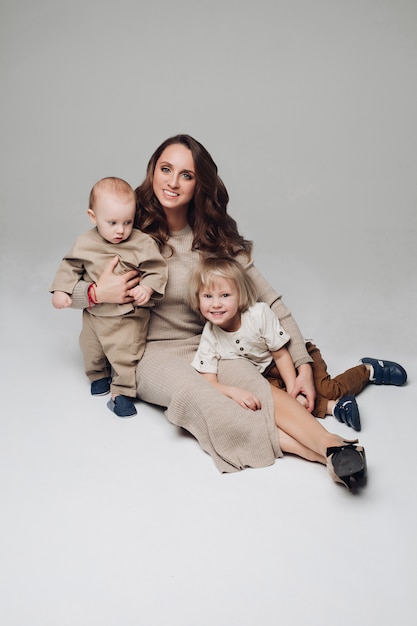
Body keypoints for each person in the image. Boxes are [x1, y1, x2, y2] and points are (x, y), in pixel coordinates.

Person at [67, 134, 403, 491]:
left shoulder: (213, 238)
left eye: (186, 174)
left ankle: (330, 445)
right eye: (166, 169)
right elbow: (66, 289)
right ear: (153, 172)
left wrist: (303, 366)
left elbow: (270, 301)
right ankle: (330, 455)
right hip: (147, 351)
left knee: (256, 388)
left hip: (208, 344)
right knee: (206, 401)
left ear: (200, 185)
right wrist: (95, 292)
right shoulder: (126, 229)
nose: (172, 181)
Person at [49, 177, 168, 417]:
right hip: (94, 314)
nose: (120, 230)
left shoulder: (141, 243)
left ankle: (121, 392)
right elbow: (70, 266)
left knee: (125, 355)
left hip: (127, 317)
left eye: (127, 222)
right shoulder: (84, 242)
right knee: (90, 348)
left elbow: (157, 269)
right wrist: (61, 290)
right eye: (112, 222)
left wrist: (146, 288)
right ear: (93, 216)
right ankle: (98, 375)